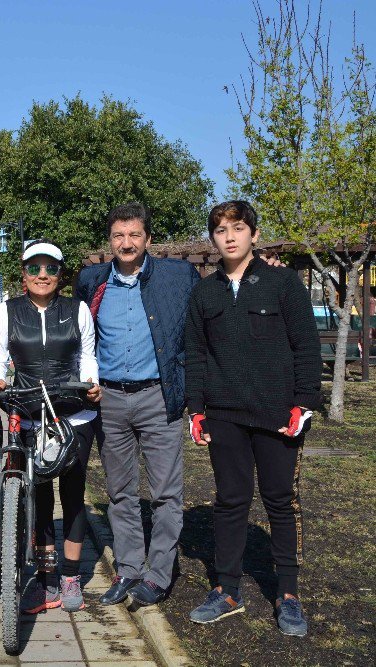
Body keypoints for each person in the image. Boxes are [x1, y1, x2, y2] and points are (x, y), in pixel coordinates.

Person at [185, 201, 321, 637]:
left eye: (238, 228)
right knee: (230, 500)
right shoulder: (205, 292)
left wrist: (304, 403)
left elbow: (306, 346)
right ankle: (227, 589)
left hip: (277, 415)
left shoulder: (282, 283)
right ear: (213, 239)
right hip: (224, 414)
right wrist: (197, 409)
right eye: (221, 230)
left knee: (281, 500)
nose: (229, 236)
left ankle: (288, 594)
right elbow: (196, 354)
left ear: (253, 235)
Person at [74, 202, 200, 608]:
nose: (126, 243)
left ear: (147, 239)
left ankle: (159, 574)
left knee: (165, 492)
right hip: (109, 399)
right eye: (118, 236)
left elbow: (199, 332)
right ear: (109, 240)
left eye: (134, 235)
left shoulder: (178, 277)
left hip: (157, 397)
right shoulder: (92, 281)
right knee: (119, 491)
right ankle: (128, 568)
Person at [0, 240, 102, 614]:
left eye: (50, 268)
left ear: (60, 275)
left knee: (72, 494)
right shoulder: (7, 310)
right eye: (34, 267)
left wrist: (91, 383)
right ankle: (46, 576)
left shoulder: (77, 309)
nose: (42, 275)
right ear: (23, 273)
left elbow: (87, 355)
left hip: (73, 414)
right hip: (29, 414)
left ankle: (71, 576)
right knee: (37, 497)